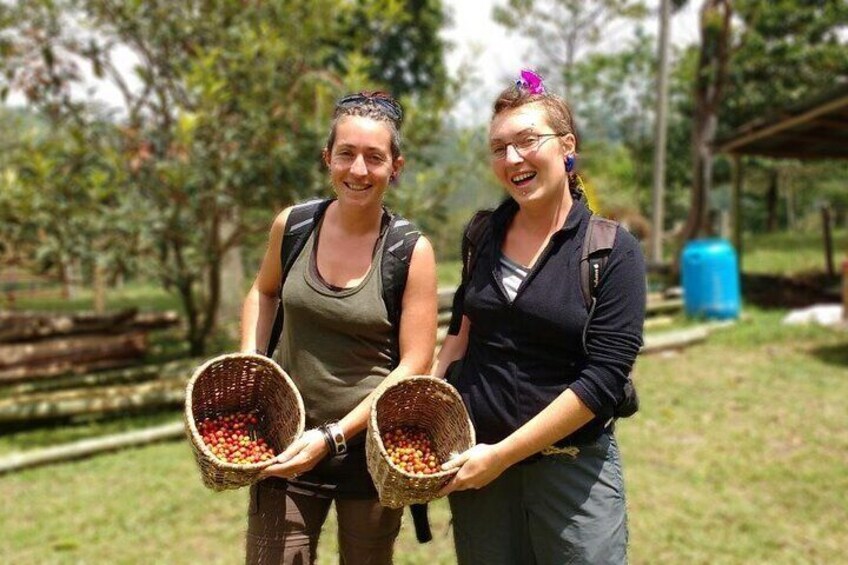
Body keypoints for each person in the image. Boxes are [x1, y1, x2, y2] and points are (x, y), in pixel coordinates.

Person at [431, 71, 646, 564]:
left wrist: (502, 455)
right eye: (498, 147)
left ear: (566, 146)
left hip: (570, 472)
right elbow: (463, 329)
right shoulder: (482, 233)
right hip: (478, 466)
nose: (512, 159)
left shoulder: (610, 251)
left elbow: (604, 381)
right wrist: (429, 396)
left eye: (527, 141)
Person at [240, 91, 438, 564]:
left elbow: (416, 362)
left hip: (370, 454)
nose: (358, 170)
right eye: (346, 154)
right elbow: (263, 291)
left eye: (375, 157)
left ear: (396, 166)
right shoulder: (294, 226)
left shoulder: (410, 251)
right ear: (328, 157)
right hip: (285, 441)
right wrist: (250, 362)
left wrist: (332, 438)